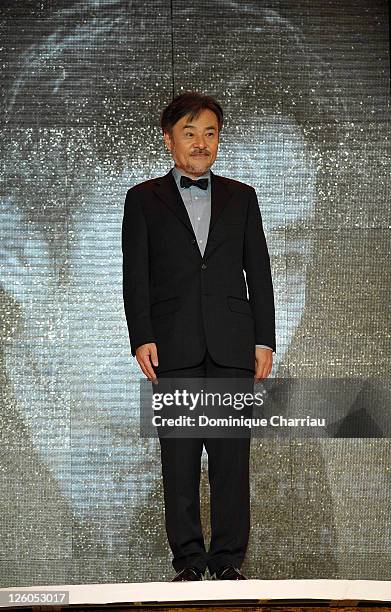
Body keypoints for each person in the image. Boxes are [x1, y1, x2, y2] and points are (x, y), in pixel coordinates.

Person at [122, 91, 276, 580]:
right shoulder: (143, 199)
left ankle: (229, 561)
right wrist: (141, 335)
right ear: (169, 139)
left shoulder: (242, 196)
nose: (201, 143)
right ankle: (188, 561)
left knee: (232, 461)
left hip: (233, 345)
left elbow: (261, 272)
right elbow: (135, 275)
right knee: (180, 459)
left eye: (209, 132)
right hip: (173, 345)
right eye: (190, 133)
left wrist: (264, 339)